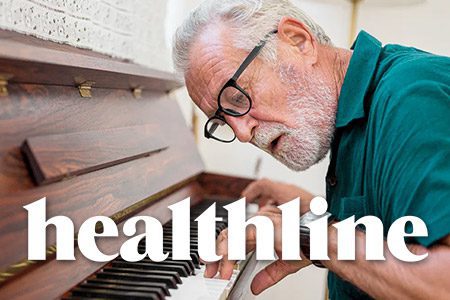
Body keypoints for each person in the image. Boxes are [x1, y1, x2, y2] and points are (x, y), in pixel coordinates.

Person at [172, 0, 450, 298]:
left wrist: (316, 238)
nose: (242, 133)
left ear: (298, 41)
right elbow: (394, 226)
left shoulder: (411, 98)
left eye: (237, 98)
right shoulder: (354, 115)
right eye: (223, 121)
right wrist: (315, 213)